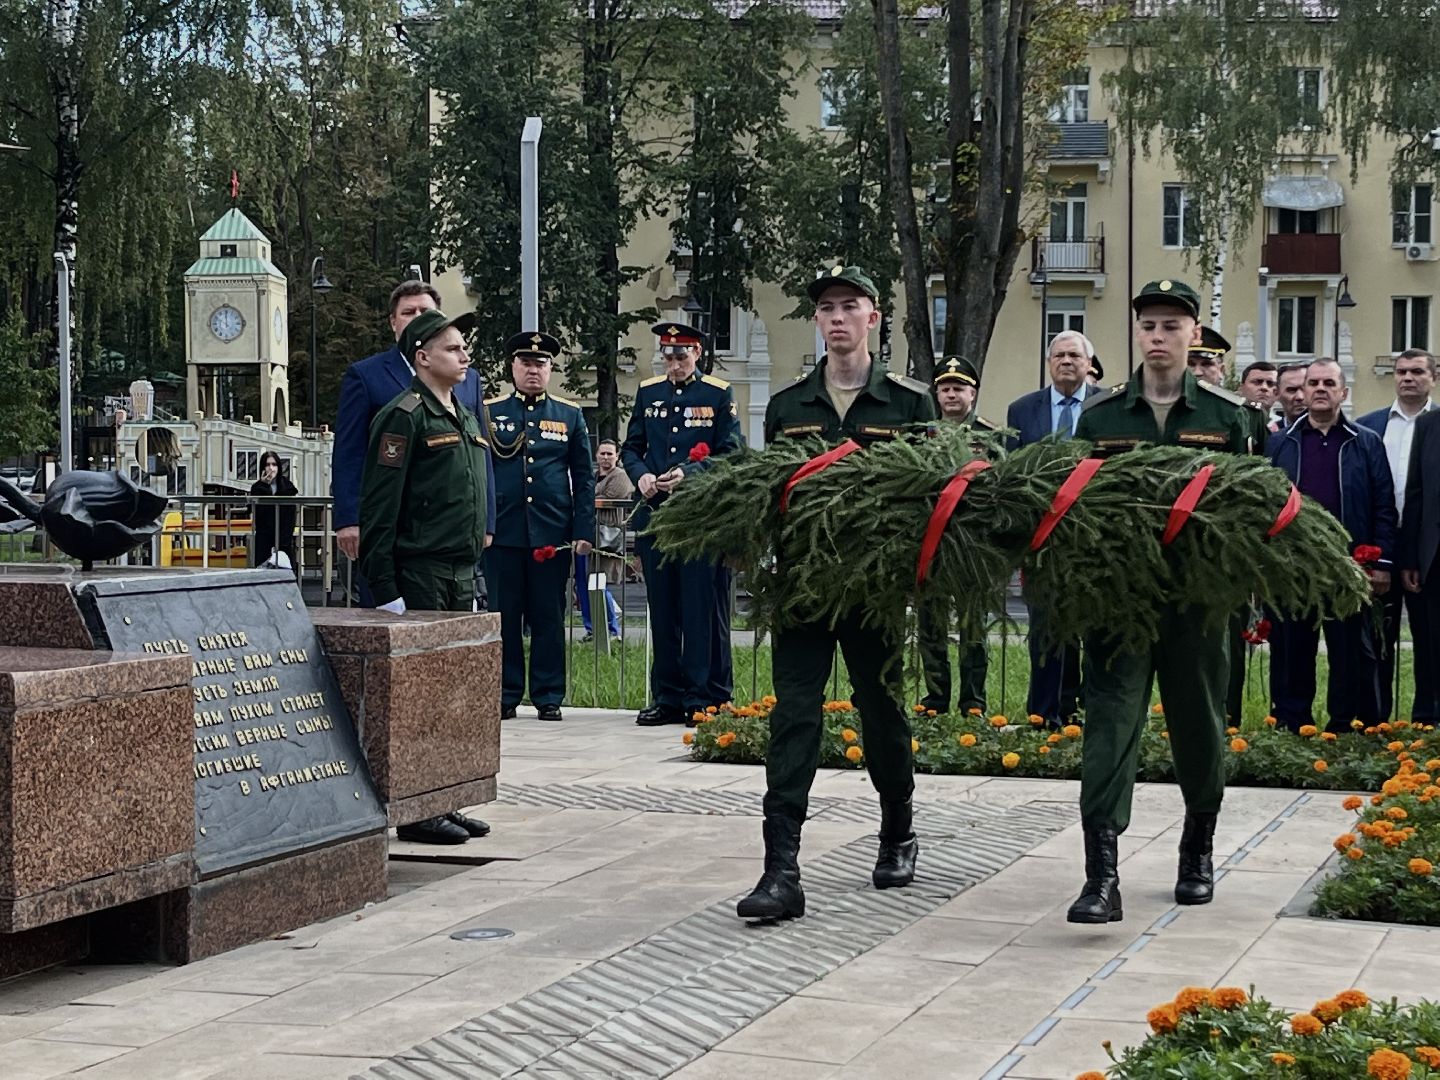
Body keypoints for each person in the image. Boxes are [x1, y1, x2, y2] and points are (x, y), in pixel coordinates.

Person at [738, 264, 936, 922]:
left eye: (851, 306)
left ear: (874, 317)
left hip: (875, 591)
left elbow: (930, 501)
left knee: (881, 712)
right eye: (827, 309)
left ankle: (897, 830)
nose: (838, 318)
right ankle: (781, 868)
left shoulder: (909, 405)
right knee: (794, 716)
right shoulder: (790, 406)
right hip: (804, 588)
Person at [1069, 278, 1251, 924]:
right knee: (1110, 724)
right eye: (1148, 325)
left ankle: (1197, 847)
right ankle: (1102, 875)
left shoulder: (1228, 418)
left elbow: (1244, 514)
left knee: (1199, 722)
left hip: (1198, 603)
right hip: (1121, 602)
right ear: (1136, 333)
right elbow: (1075, 508)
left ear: (1193, 336)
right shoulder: (1101, 418)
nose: (1158, 337)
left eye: (1173, 326)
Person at [358, 308, 494, 844]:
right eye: (453, 349)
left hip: (460, 573)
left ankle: (445, 797)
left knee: (452, 695)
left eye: (463, 348)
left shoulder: (461, 413)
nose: (464, 357)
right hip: (419, 574)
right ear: (423, 357)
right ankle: (416, 810)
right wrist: (386, 589)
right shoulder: (404, 415)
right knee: (419, 699)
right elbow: (380, 508)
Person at [333, 280, 496, 606]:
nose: (465, 357)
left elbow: (480, 459)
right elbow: (357, 462)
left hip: (460, 562)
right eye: (409, 312)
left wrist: (485, 520)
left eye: (426, 311)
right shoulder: (380, 389)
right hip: (417, 556)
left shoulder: (464, 398)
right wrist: (349, 521)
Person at [621, 321, 743, 727]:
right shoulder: (648, 392)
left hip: (699, 519)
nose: (673, 362)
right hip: (657, 517)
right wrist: (639, 474)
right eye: (667, 355)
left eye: (681, 354)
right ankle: (668, 696)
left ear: (697, 354)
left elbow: (731, 453)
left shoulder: (717, 393)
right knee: (664, 610)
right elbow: (633, 446)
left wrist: (691, 474)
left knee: (701, 610)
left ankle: (706, 695)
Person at [1267, 358, 1395, 732]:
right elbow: (1266, 506)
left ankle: (1347, 726)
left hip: (1348, 567)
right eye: (1313, 383)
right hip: (1294, 567)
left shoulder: (1366, 443)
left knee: (1351, 652)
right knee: (1293, 651)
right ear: (1302, 392)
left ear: (1344, 392)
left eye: (1328, 383)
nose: (1320, 389)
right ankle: (1293, 726)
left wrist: (1382, 561)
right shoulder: (1280, 444)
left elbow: (1383, 504)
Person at [484, 332, 596, 723]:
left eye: (541, 364)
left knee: (549, 616)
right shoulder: (490, 411)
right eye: (526, 363)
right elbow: (482, 474)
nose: (534, 370)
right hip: (504, 533)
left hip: (551, 533)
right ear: (512, 368)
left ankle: (549, 695)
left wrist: (584, 530)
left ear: (550, 369)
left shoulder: (569, 415)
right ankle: (505, 692)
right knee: (504, 616)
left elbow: (583, 477)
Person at [1005, 330, 1100, 726]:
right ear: (1048, 363)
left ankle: (1087, 712)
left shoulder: (1106, 405)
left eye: (1074, 355)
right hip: (1042, 539)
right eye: (1059, 355)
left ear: (1088, 363)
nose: (1066, 361)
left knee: (1093, 629)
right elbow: (1012, 473)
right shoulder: (1023, 409)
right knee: (1045, 629)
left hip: (1094, 538)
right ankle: (1043, 715)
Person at [1358, 349, 1436, 722]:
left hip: (1428, 549)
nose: (1408, 378)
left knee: (1430, 639)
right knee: (1378, 640)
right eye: (1401, 371)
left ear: (1432, 378)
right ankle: (1375, 720)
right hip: (1379, 545)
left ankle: (1427, 718)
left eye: (1417, 371)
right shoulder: (1368, 426)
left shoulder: (1436, 425)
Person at [919, 355, 992, 716]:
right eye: (945, 388)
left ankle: (973, 702)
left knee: (973, 628)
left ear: (973, 394)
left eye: (958, 388)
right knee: (930, 626)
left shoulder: (992, 437)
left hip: (973, 547)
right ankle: (935, 700)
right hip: (932, 546)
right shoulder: (922, 436)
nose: (951, 394)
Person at [1400, 408, 1440, 723]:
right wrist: (1411, 556)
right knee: (1430, 645)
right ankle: (1428, 722)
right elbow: (1416, 491)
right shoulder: (1429, 424)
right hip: (1434, 557)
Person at [580, 439, 633, 642]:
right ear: (596, 455)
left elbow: (607, 498)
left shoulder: (620, 476)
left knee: (600, 584)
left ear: (617, 456)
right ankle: (592, 629)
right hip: (588, 537)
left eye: (610, 454)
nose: (605, 457)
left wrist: (589, 497)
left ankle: (611, 630)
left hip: (607, 539)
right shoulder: (593, 476)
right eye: (602, 453)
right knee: (586, 585)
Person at [251, 450, 298, 572]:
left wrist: (286, 538)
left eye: (274, 464)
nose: (271, 468)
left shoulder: (287, 486)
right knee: (263, 571)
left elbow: (290, 515)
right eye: (267, 465)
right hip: (264, 536)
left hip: (283, 537)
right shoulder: (257, 487)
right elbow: (258, 513)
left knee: (286, 571)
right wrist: (264, 486)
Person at [1274, 363, 1310, 431]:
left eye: (1305, 389)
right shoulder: (1268, 435)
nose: (1300, 397)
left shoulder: (1333, 433)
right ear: (1277, 394)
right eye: (1292, 390)